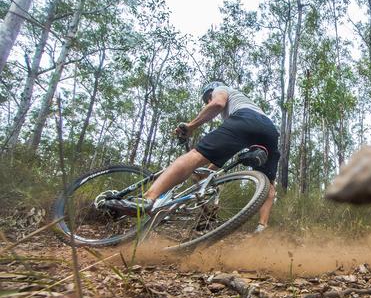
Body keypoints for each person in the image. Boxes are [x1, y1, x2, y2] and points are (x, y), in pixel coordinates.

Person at [104, 81, 280, 233]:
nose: (208, 102)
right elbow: (224, 154)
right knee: (268, 184)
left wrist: (191, 126)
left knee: (195, 155)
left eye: (206, 100)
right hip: (270, 131)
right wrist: (207, 172)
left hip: (245, 120)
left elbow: (217, 104)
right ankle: (262, 227)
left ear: (209, 93)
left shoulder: (220, 88)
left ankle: (147, 199)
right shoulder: (247, 104)